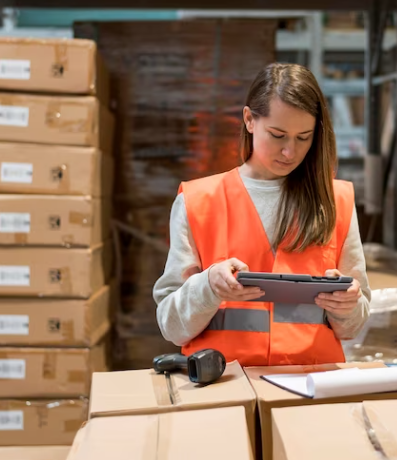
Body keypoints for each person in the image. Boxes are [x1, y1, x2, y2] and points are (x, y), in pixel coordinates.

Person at [153, 62, 371, 367]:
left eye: (303, 137)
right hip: (224, 391)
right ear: (249, 120)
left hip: (311, 393)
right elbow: (171, 327)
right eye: (278, 135)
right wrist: (209, 288)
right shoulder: (198, 201)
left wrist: (346, 305)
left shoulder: (336, 201)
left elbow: (353, 327)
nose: (289, 152)